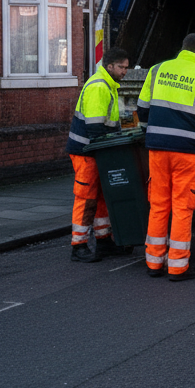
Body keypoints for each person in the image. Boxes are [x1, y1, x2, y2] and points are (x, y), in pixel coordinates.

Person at [136, 33, 195, 281]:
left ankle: (153, 262)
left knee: (158, 204)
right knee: (182, 206)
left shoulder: (157, 70)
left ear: (182, 48)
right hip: (186, 152)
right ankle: (177, 267)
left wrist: (149, 132)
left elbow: (142, 108)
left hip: (157, 150)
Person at [65, 47, 135, 263]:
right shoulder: (99, 87)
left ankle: (103, 241)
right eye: (122, 67)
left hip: (97, 152)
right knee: (86, 198)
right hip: (87, 152)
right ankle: (79, 246)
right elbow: (95, 128)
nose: (125, 71)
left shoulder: (109, 85)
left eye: (126, 67)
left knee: (103, 197)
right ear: (109, 66)